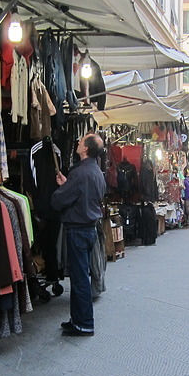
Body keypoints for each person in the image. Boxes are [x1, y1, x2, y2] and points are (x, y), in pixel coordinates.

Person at [51, 133, 107, 336]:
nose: (77, 142)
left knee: (80, 278)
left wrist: (62, 189)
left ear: (85, 149)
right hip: (89, 228)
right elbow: (85, 194)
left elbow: (59, 200)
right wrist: (68, 184)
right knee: (80, 276)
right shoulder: (96, 172)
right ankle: (77, 319)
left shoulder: (81, 173)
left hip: (78, 229)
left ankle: (84, 323)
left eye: (81, 140)